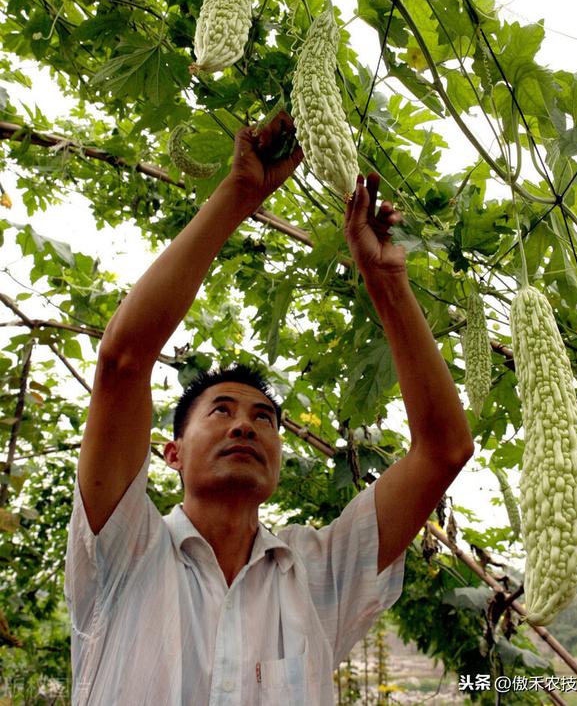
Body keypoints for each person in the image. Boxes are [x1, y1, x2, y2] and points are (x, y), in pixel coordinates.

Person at [64, 111, 474, 705]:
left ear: (279, 456)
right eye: (221, 411)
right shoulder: (123, 552)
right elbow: (123, 360)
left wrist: (387, 280)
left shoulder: (317, 576)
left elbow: (444, 451)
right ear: (171, 453)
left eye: (264, 418)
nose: (244, 425)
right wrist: (240, 195)